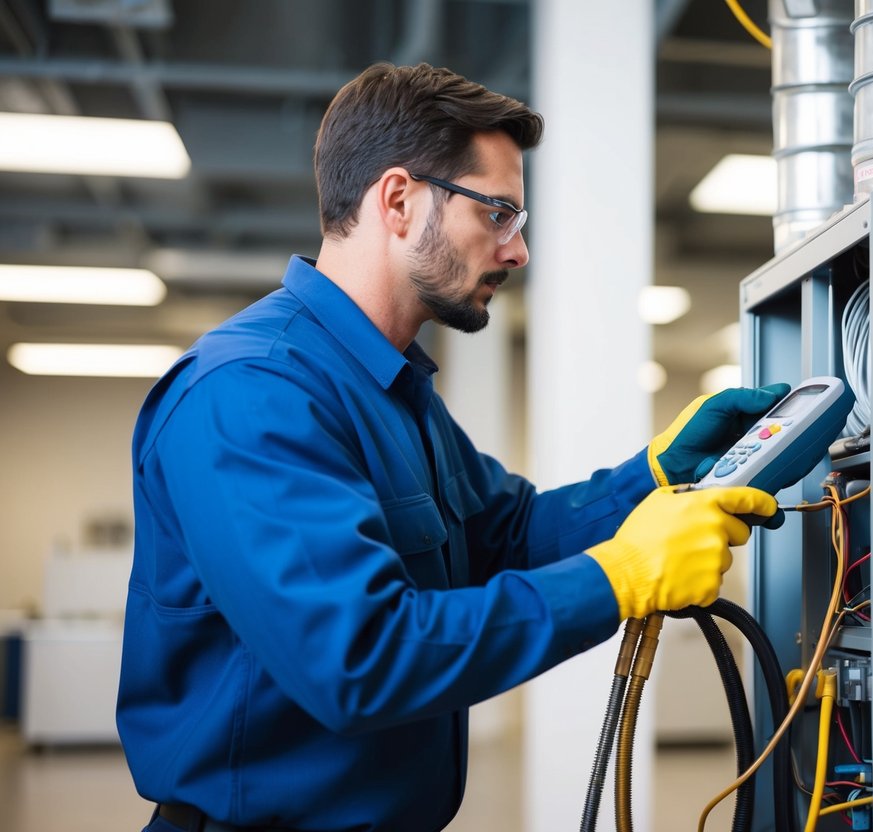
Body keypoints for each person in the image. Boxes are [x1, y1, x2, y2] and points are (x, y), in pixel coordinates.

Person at [118, 62, 787, 832]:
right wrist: (617, 579)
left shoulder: (388, 387)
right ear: (397, 200)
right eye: (498, 213)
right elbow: (359, 657)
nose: (517, 251)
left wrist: (653, 475)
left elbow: (506, 534)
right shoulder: (252, 393)